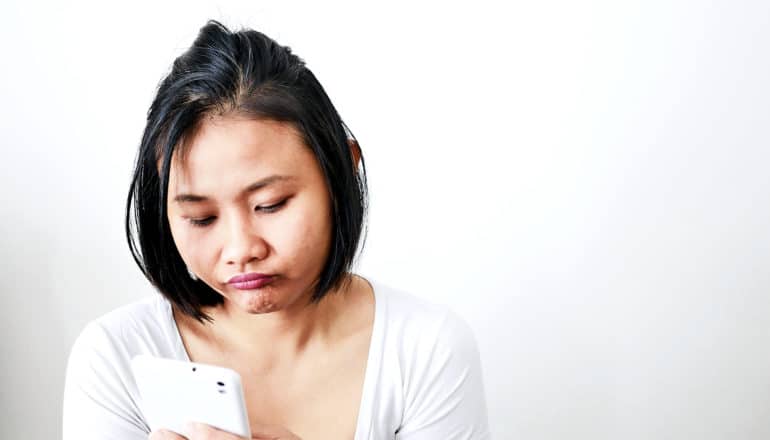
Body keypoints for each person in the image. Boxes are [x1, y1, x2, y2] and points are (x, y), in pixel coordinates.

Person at [62, 20, 491, 440]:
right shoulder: (115, 356)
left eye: (270, 205)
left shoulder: (424, 349)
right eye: (201, 218)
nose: (241, 248)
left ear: (341, 172)